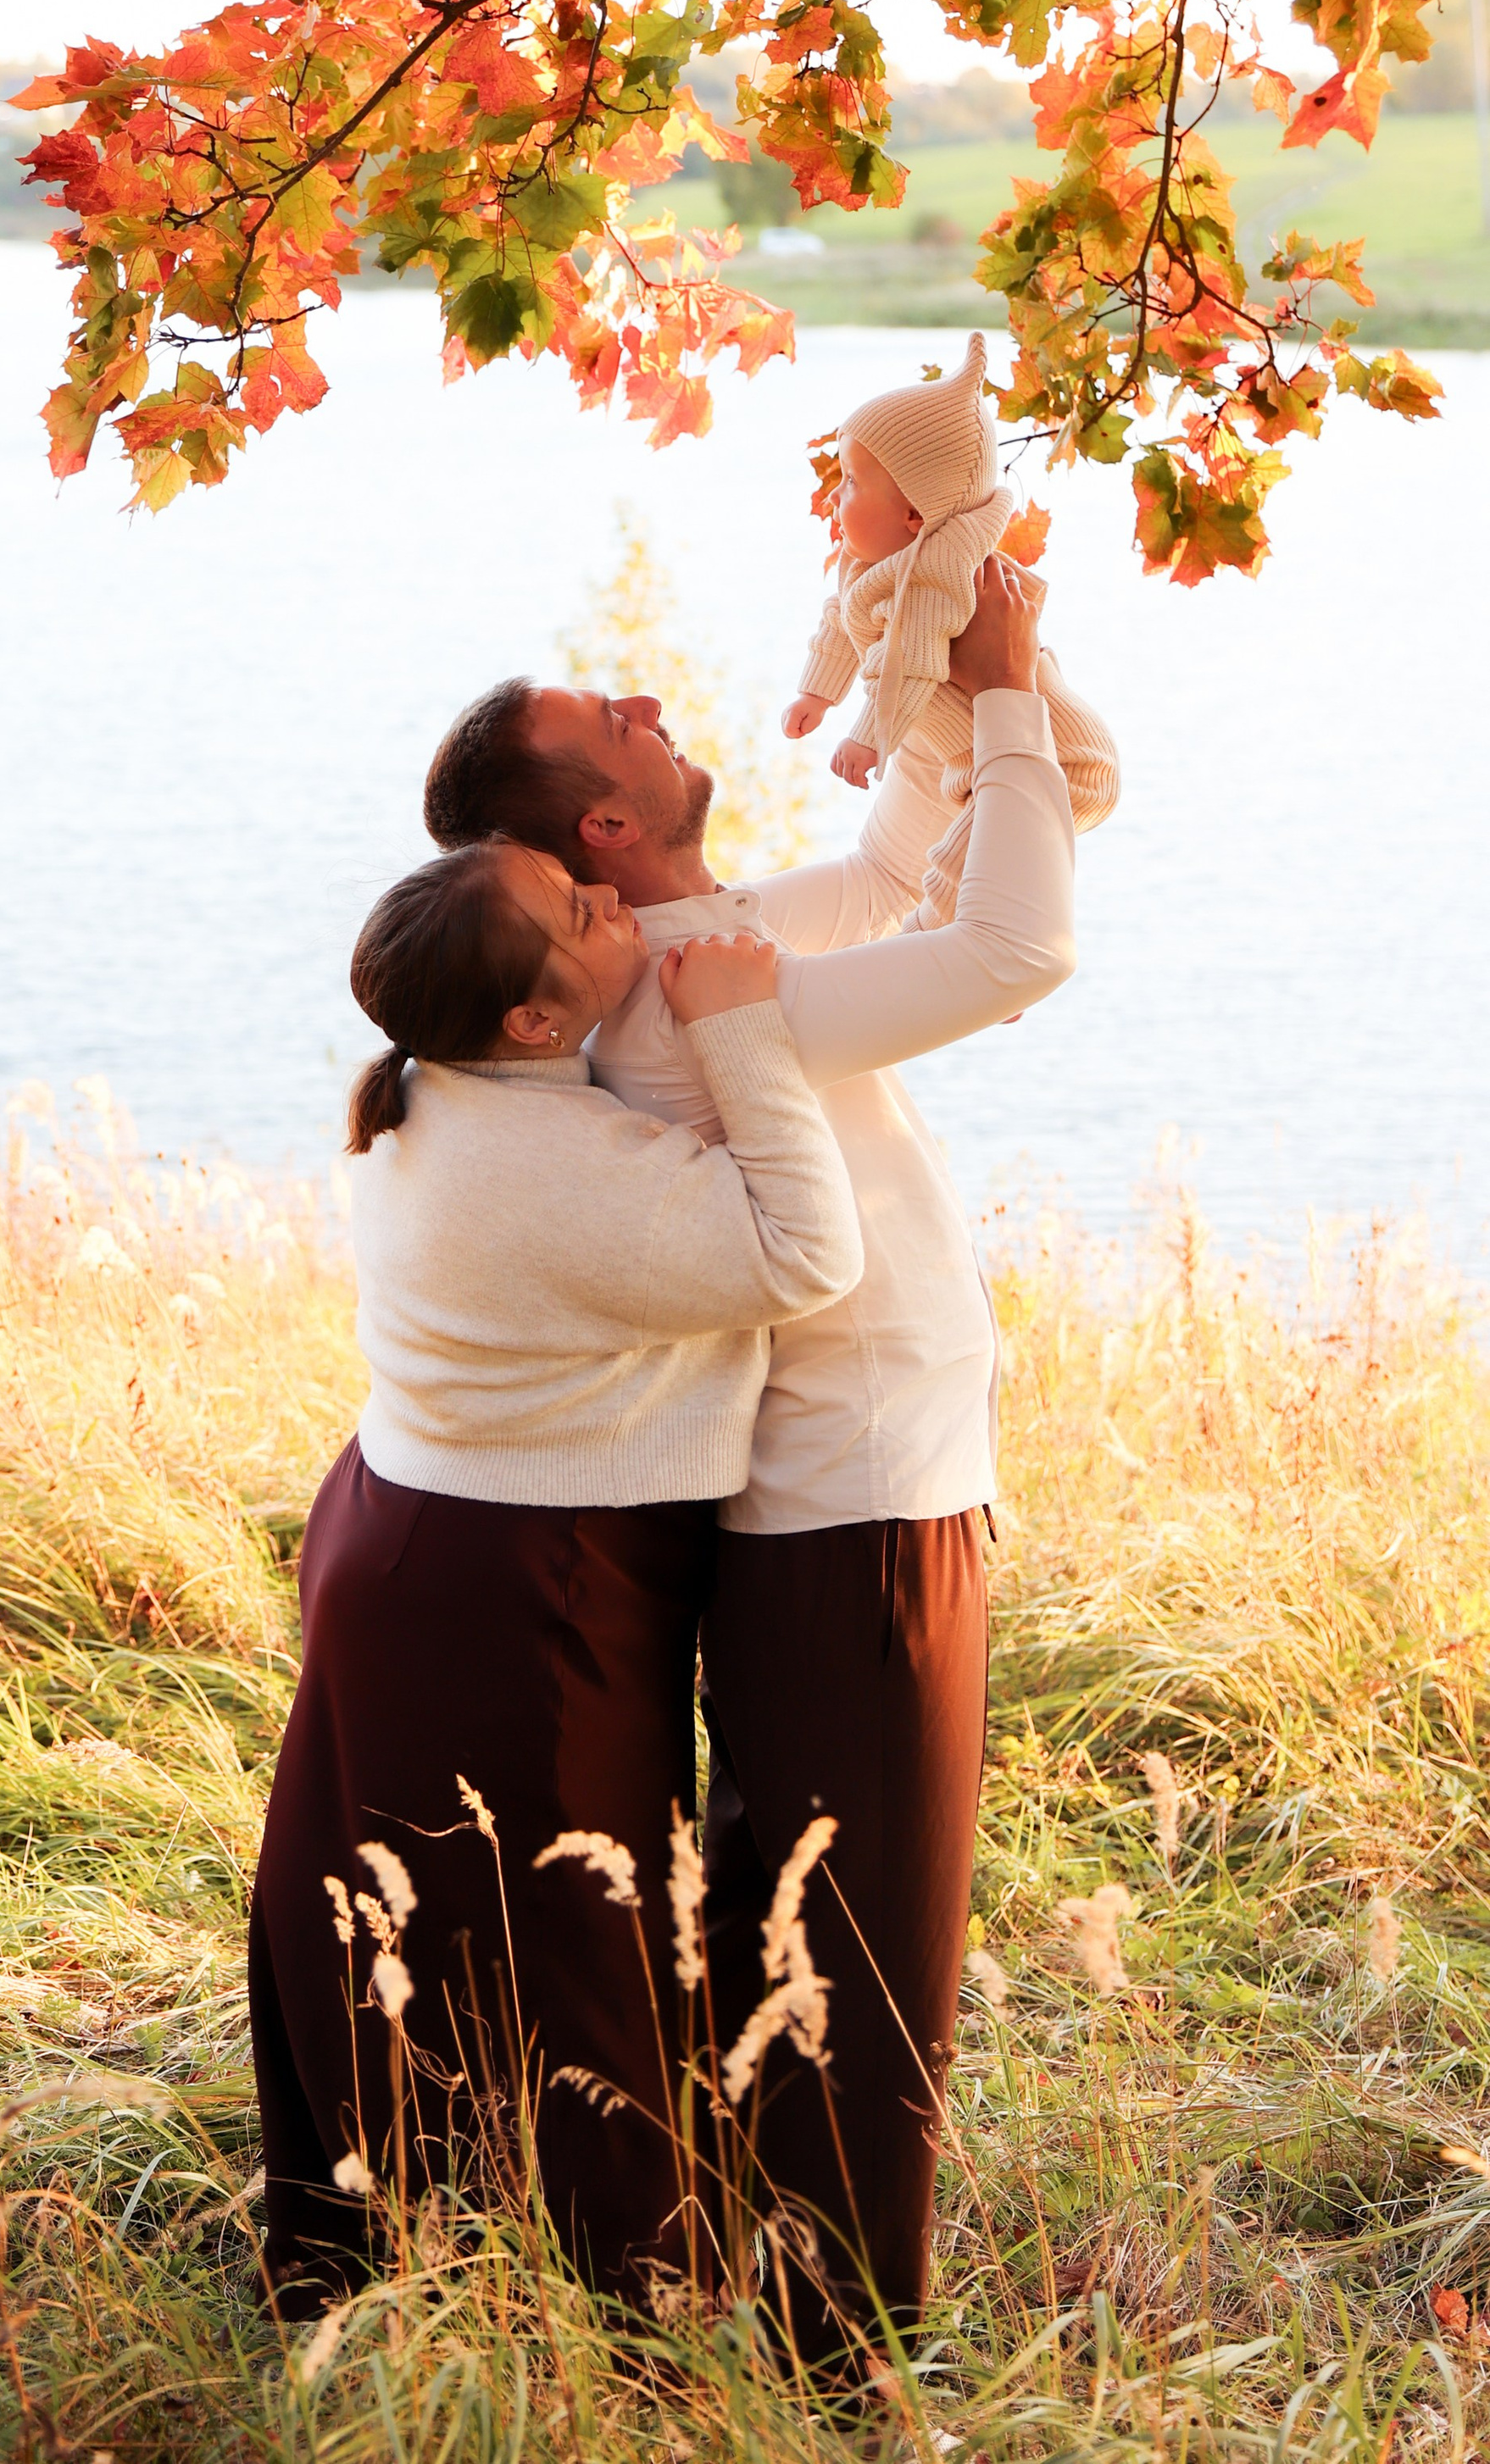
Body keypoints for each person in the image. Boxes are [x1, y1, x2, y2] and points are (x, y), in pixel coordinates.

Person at [419, 551, 1076, 2366]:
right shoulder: (696, 990)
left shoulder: (686, 945)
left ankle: (769, 2308)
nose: (641, 698)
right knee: (864, 1958)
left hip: (843, 1486)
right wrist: (1008, 689)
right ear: (608, 824)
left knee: (808, 1917)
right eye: (604, 722)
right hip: (859, 1498)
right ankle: (832, 2364)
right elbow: (1014, 948)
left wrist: (930, 678)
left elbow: (880, 882)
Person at [247, 837, 864, 2320]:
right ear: (532, 1019)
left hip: (418, 1529)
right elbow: (807, 1255)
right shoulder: (546, 1160)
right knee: (565, 1931)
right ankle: (620, 2305)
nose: (610, 905)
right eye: (574, 910)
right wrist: (736, 1027)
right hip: (502, 1574)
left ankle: (388, 2247)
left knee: (398, 1903)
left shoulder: (453, 1095)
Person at [784, 335, 1118, 925]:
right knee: (996, 835)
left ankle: (970, 946)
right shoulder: (871, 560)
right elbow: (844, 615)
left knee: (971, 854)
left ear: (916, 515)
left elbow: (910, 657)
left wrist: (870, 734)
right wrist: (818, 692)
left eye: (853, 482)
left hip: (1069, 761)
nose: (838, 493)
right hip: (986, 756)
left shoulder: (940, 574)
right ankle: (1002, 941)